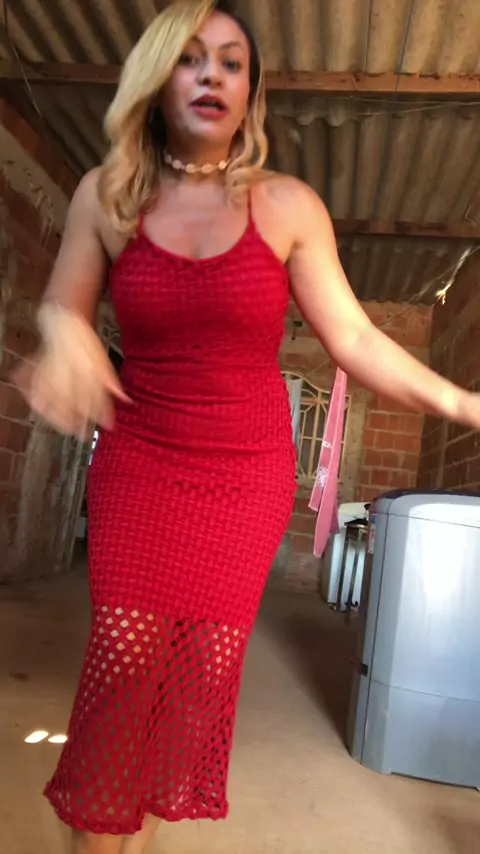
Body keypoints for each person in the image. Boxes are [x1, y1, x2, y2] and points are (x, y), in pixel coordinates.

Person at [13, 0, 480, 852]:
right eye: (191, 58)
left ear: (250, 93)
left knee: (192, 677)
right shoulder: (106, 197)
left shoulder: (288, 206)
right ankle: (99, 831)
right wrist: (62, 333)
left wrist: (462, 404)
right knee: (125, 663)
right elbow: (62, 305)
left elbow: (354, 338)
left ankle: (132, 834)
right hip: (141, 462)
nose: (212, 75)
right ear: (159, 81)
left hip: (244, 474)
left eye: (231, 62)